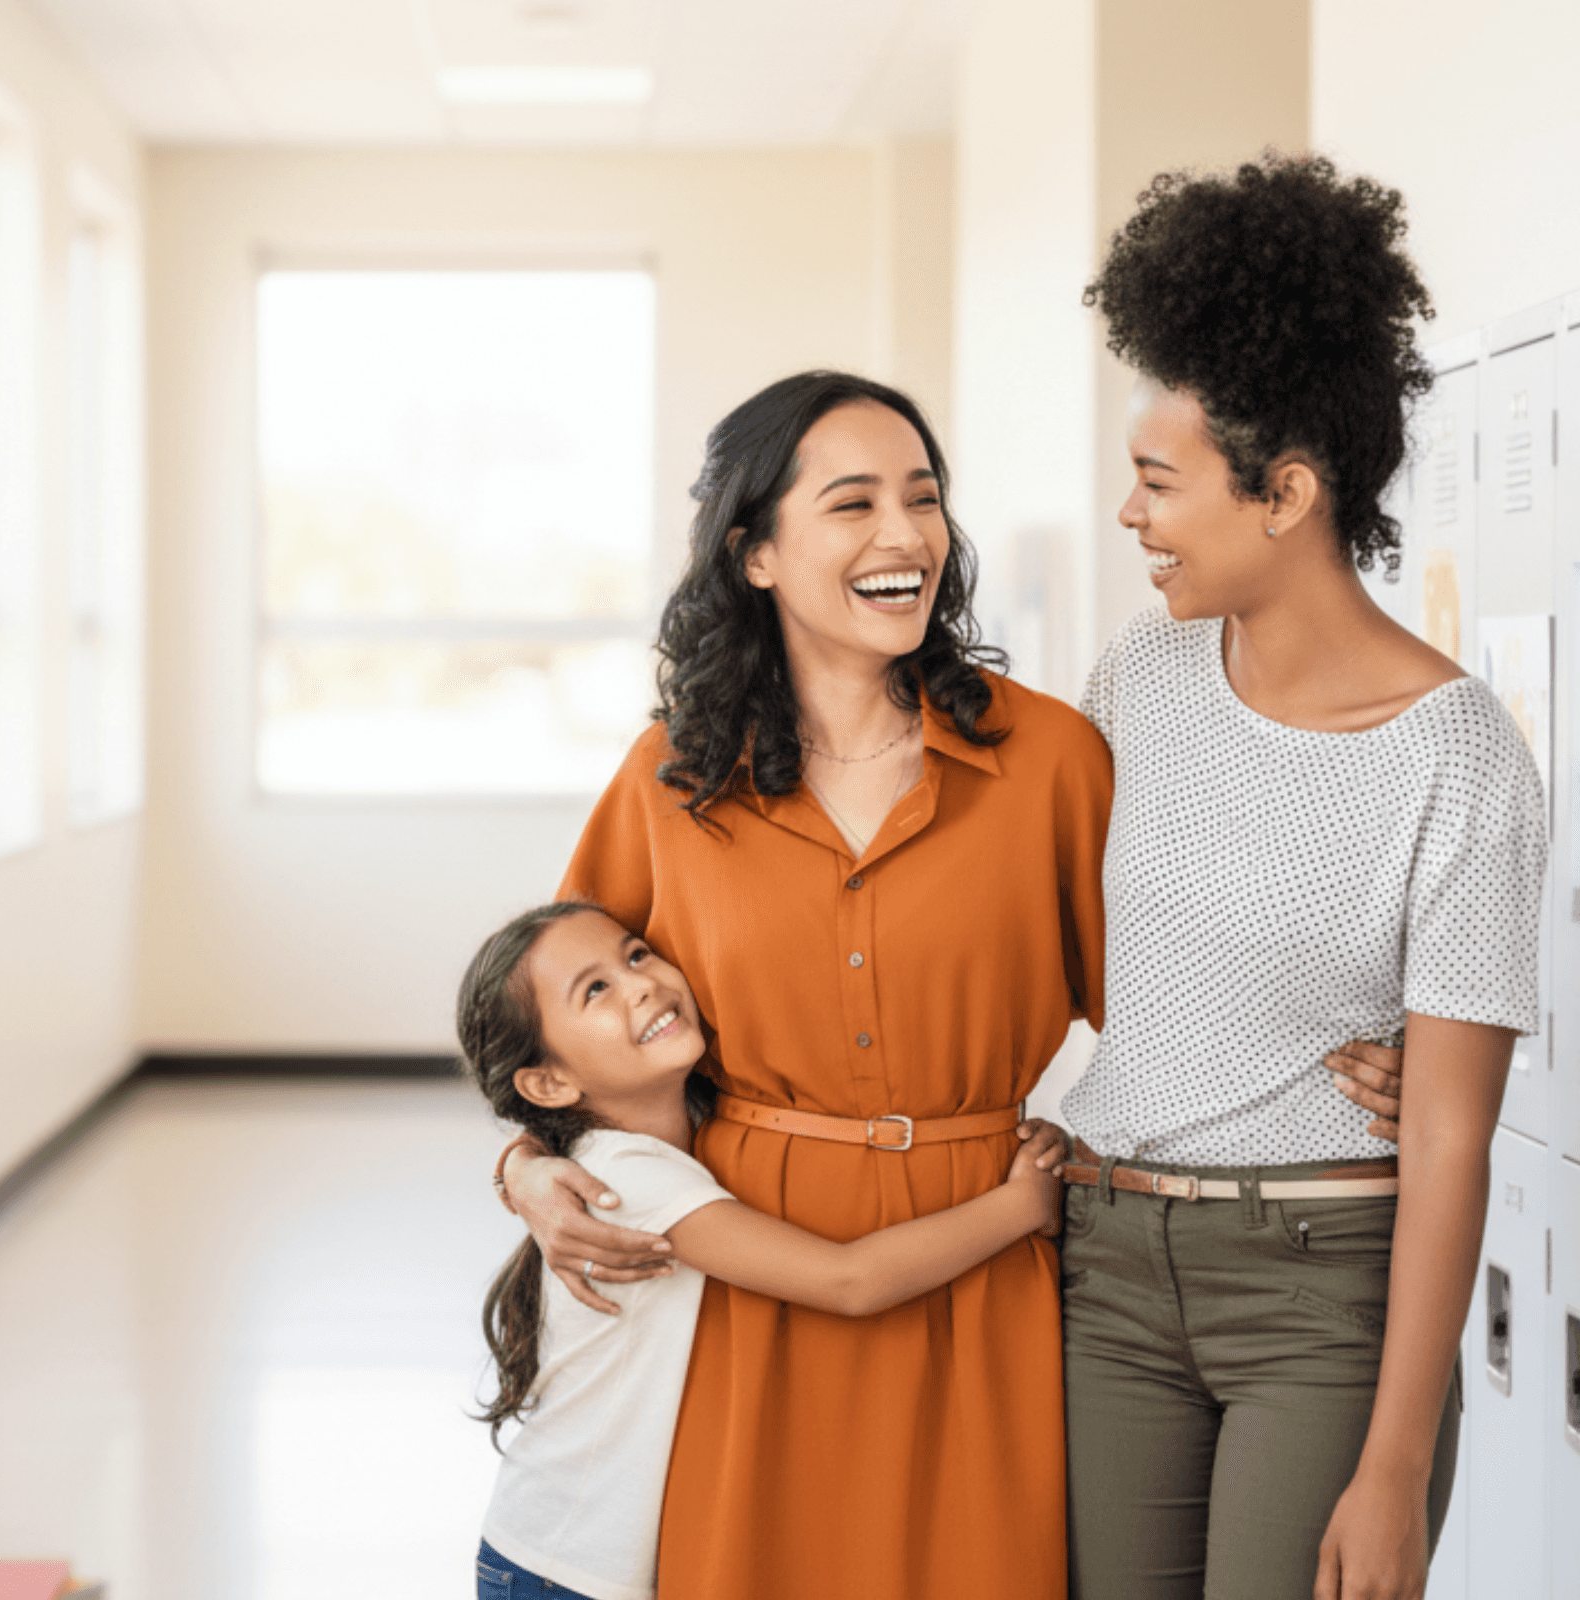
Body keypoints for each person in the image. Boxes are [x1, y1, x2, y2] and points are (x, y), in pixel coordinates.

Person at [496, 368, 1408, 1599]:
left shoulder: (1048, 759)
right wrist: (524, 1168)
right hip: (759, 1282)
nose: (903, 535)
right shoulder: (672, 777)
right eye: (852, 503)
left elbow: (1175, 980)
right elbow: (560, 1020)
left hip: (991, 1262)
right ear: (754, 553)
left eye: (923, 499)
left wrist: (1363, 1057)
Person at [1059, 153, 1547, 1600]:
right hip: (1109, 1267)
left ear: (1286, 493)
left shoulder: (1456, 754)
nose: (1133, 519)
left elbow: (1452, 1143)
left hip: (1322, 1290)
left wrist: (1395, 1468)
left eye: (1158, 484)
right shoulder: (1135, 678)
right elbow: (1093, 964)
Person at [460, 900, 1069, 1600]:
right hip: (561, 1568)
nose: (643, 985)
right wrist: (1020, 1204)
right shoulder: (626, 1181)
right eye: (595, 990)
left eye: (636, 955)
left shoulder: (689, 1133)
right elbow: (849, 1281)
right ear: (548, 1083)